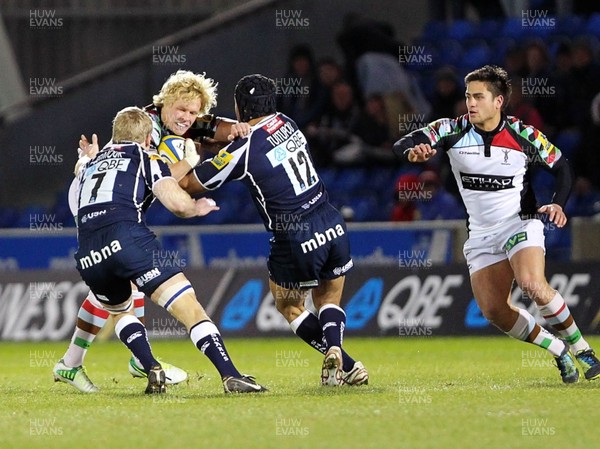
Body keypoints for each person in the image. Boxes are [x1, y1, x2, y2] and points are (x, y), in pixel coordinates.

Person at [392, 65, 600, 384]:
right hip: (481, 234)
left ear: (498, 101)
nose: (470, 103)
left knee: (531, 283)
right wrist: (413, 153)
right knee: (494, 311)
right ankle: (558, 348)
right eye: (467, 96)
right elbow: (404, 143)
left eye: (478, 97)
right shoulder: (452, 129)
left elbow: (562, 167)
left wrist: (558, 202)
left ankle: (583, 350)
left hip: (520, 222)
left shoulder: (522, 134)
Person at [55, 70, 251, 392]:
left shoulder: (179, 119)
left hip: (94, 227)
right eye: (184, 111)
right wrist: (189, 169)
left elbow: (212, 127)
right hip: (115, 216)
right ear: (165, 103)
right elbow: (162, 178)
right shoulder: (144, 130)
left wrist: (239, 128)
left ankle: (75, 362)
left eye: (193, 113)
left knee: (115, 289)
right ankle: (218, 371)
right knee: (135, 280)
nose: (188, 119)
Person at [180, 74, 368, 386]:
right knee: (328, 299)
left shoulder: (242, 149)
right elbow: (238, 133)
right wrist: (208, 131)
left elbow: (189, 183)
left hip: (295, 234)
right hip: (331, 221)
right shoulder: (287, 122)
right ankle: (337, 350)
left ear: (240, 107)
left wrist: (187, 147)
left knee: (289, 305)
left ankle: (344, 362)